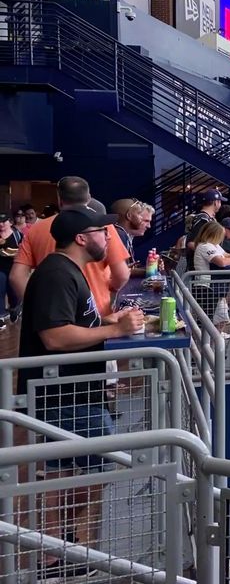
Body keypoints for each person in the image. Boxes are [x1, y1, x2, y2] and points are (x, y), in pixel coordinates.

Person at [17, 206, 144, 563]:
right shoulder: (57, 273)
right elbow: (55, 336)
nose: (110, 238)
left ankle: (57, 548)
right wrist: (115, 330)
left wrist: (107, 319)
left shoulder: (69, 270)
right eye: (104, 232)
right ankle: (61, 549)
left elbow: (75, 321)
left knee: (68, 470)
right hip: (65, 393)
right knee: (95, 466)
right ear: (82, 238)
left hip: (74, 392)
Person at [11, 177, 130, 318]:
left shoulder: (36, 230)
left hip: (54, 314)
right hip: (95, 311)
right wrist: (111, 289)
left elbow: (16, 277)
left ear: (60, 201)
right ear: (89, 198)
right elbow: (121, 274)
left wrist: (38, 306)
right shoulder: (101, 226)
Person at [192, 222, 230, 328]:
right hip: (205, 286)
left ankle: (215, 342)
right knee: (207, 321)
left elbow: (226, 255)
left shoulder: (214, 245)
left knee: (222, 318)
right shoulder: (205, 246)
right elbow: (221, 262)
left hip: (215, 287)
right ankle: (206, 343)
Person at [185, 189, 227, 270]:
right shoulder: (202, 219)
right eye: (220, 202)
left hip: (206, 265)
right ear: (216, 202)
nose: (220, 204)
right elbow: (191, 243)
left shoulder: (207, 218)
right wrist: (212, 255)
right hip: (199, 268)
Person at [111, 199, 154, 277]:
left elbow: (126, 268)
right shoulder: (118, 234)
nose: (149, 226)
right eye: (145, 221)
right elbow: (118, 273)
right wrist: (149, 271)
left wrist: (150, 268)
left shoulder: (125, 235)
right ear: (129, 216)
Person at [0, 214, 23, 325]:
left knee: (13, 291)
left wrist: (12, 253)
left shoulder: (18, 235)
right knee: (0, 289)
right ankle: (1, 315)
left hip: (14, 267)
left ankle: (15, 310)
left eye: (4, 221)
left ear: (10, 222)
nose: (1, 224)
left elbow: (23, 250)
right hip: (0, 268)